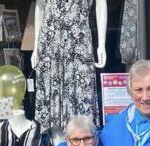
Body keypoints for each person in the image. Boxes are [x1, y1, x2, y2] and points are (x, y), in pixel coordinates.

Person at [31, 0, 107, 131]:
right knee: (53, 98)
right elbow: (39, 7)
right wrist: (36, 47)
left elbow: (101, 3)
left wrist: (102, 44)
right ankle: (57, 145)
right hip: (50, 42)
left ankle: (82, 140)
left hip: (79, 40)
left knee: (82, 92)